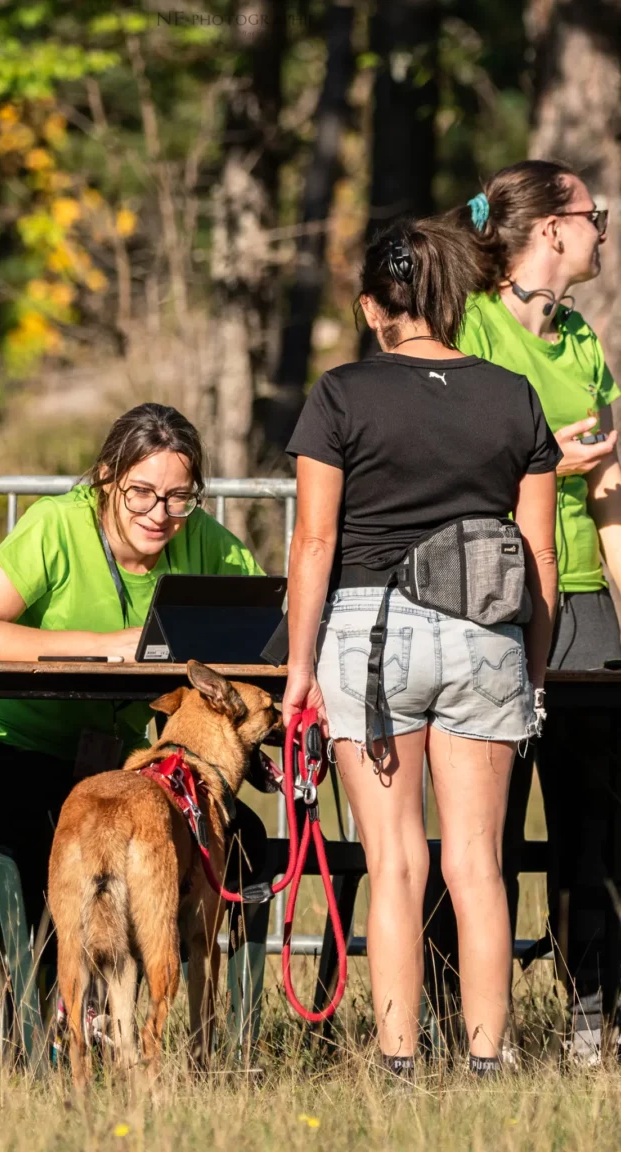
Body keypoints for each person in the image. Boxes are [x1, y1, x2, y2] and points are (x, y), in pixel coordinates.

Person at [282, 218, 560, 1077]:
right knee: (479, 864)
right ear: (451, 302)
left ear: (373, 307)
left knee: (394, 862)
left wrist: (299, 672)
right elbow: (541, 555)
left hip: (371, 634)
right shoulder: (515, 394)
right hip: (488, 634)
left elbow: (315, 545)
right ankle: (486, 1061)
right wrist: (533, 669)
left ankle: (399, 1064)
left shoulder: (339, 395)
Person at [0, 403, 267, 978]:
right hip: (6, 756)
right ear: (105, 479)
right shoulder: (56, 525)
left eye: (179, 498)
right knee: (53, 831)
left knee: (246, 840)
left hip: (121, 765)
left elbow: (269, 634)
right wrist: (105, 643)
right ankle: (42, 1033)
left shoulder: (207, 544)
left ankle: (206, 1030)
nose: (160, 514)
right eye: (140, 492)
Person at [452, 161, 621, 1062]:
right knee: (484, 820)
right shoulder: (467, 324)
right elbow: (451, 465)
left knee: (593, 817)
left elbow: (612, 486)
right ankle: (459, 1021)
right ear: (552, 230)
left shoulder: (583, 337)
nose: (603, 230)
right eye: (595, 216)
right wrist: (545, 460)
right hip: (486, 590)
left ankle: (591, 1010)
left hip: (583, 594)